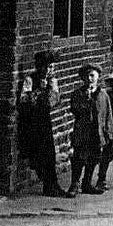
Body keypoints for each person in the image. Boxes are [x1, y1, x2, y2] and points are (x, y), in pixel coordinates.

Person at [17, 50, 66, 196]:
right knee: (38, 153)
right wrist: (39, 91)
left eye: (52, 67)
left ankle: (52, 185)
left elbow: (54, 101)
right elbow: (24, 101)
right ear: (40, 66)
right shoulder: (30, 80)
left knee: (49, 152)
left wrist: (49, 90)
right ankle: (48, 183)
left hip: (44, 119)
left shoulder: (52, 80)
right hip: (31, 121)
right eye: (47, 67)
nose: (49, 70)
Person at [67, 63, 113, 197]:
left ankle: (87, 182)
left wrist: (108, 132)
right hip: (83, 131)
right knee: (79, 157)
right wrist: (86, 100)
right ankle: (75, 183)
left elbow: (108, 113)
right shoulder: (78, 94)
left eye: (92, 75)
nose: (90, 78)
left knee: (93, 157)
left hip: (97, 131)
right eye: (86, 76)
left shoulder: (103, 94)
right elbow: (75, 109)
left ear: (98, 77)